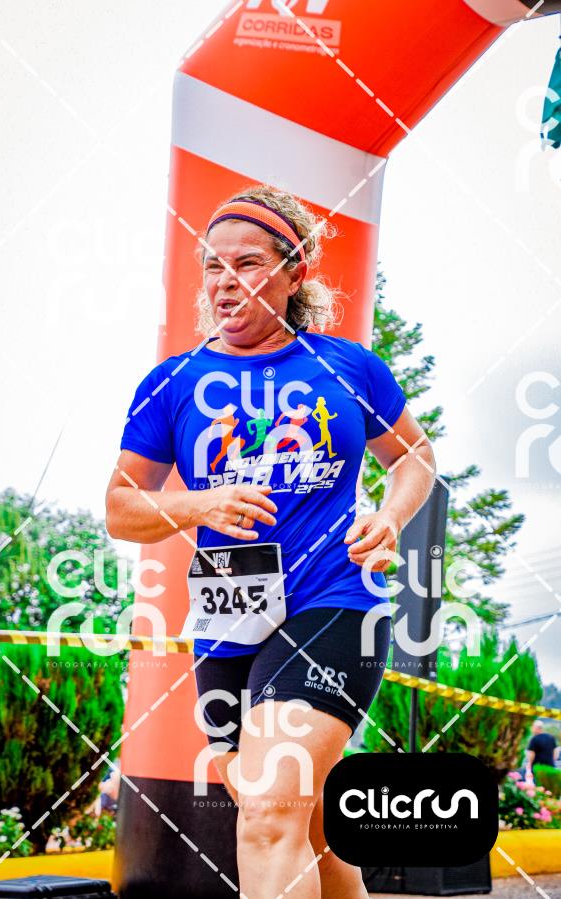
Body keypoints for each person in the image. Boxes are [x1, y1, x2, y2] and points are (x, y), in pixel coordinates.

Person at [106, 186, 436, 899]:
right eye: (213, 266)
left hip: (335, 601)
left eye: (247, 263)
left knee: (265, 809)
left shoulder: (349, 367)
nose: (225, 282)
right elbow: (121, 509)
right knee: (302, 819)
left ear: (295, 272)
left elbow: (414, 456)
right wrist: (200, 502)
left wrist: (390, 516)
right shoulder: (172, 384)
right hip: (229, 617)